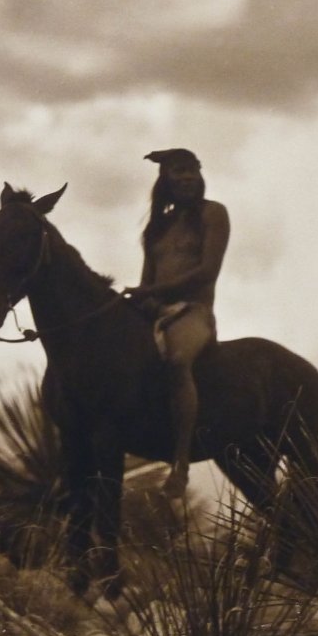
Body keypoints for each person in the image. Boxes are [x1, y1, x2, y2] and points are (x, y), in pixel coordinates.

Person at [123, 148, 230, 499]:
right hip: (159, 311)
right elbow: (146, 279)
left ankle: (180, 463)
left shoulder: (214, 214)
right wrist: (145, 299)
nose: (186, 178)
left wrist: (154, 291)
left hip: (194, 312)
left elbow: (207, 271)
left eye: (192, 171)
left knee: (178, 361)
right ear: (165, 182)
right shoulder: (157, 229)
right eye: (178, 172)